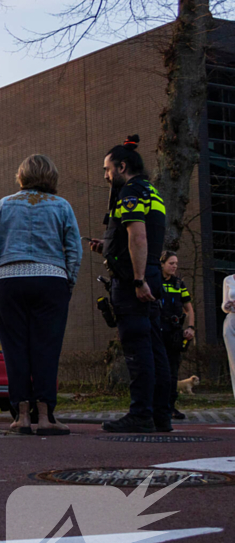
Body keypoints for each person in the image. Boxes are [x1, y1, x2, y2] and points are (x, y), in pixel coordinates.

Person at [0, 154, 81, 435]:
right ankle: (46, 416)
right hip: (51, 280)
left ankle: (21, 416)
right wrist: (68, 282)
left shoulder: (4, 205)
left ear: (21, 176)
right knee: (47, 348)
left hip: (9, 282)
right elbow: (74, 249)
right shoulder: (61, 206)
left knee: (15, 349)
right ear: (52, 176)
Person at [88, 135, 172, 433]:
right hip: (149, 276)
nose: (106, 175)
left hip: (134, 282)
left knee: (138, 349)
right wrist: (108, 246)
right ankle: (161, 414)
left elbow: (138, 236)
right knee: (154, 347)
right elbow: (137, 235)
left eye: (107, 169)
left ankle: (140, 414)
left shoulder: (130, 193)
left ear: (122, 166)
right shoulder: (153, 192)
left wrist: (137, 280)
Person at [160, 251, 195, 419]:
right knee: (159, 371)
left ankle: (170, 407)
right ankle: (157, 406)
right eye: (171, 263)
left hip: (175, 333)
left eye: (176, 263)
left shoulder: (179, 284)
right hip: (158, 332)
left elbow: (189, 308)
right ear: (162, 264)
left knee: (173, 372)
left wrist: (191, 328)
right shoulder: (155, 282)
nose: (174, 266)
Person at [222, 275, 235, 399]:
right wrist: (227, 306)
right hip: (231, 321)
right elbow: (223, 306)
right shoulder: (228, 280)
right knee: (234, 364)